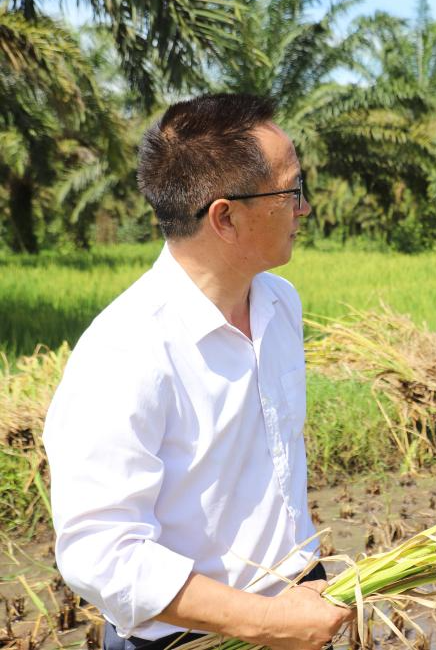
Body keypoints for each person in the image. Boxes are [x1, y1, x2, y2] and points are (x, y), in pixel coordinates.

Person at [42, 94, 353, 650]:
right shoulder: (125, 351)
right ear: (225, 217)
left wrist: (300, 588)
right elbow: (101, 553)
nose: (304, 208)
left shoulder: (279, 303)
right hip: (190, 637)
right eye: (291, 191)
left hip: (296, 603)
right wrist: (264, 622)